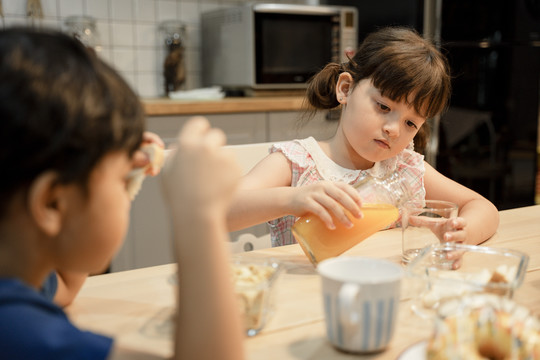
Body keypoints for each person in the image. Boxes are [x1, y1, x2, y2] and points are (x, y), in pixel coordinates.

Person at [0, 27, 244, 360]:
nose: (125, 189)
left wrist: (117, 170)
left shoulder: (17, 275)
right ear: (52, 203)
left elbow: (66, 289)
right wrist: (199, 215)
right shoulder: (20, 331)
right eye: (119, 181)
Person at [227, 27, 499, 249]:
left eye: (410, 123)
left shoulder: (405, 169)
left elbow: (481, 207)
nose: (394, 130)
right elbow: (217, 213)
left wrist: (461, 235)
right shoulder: (296, 164)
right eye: (383, 107)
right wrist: (292, 199)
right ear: (345, 89)